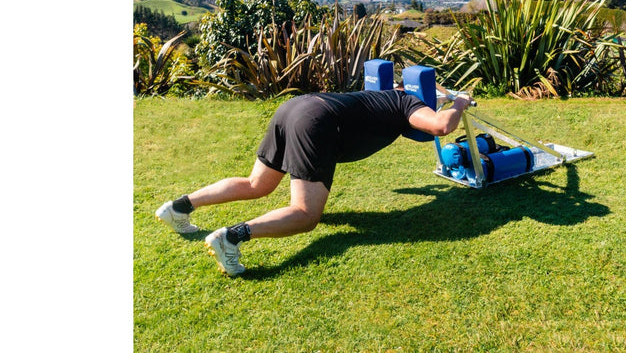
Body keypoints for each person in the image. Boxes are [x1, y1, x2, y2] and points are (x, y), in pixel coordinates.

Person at [155, 87, 473, 276]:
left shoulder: (385, 94)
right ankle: (232, 237)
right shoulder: (408, 103)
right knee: (306, 215)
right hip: (316, 122)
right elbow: (440, 126)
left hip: (295, 107)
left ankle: (178, 208)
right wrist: (458, 103)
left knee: (257, 184)